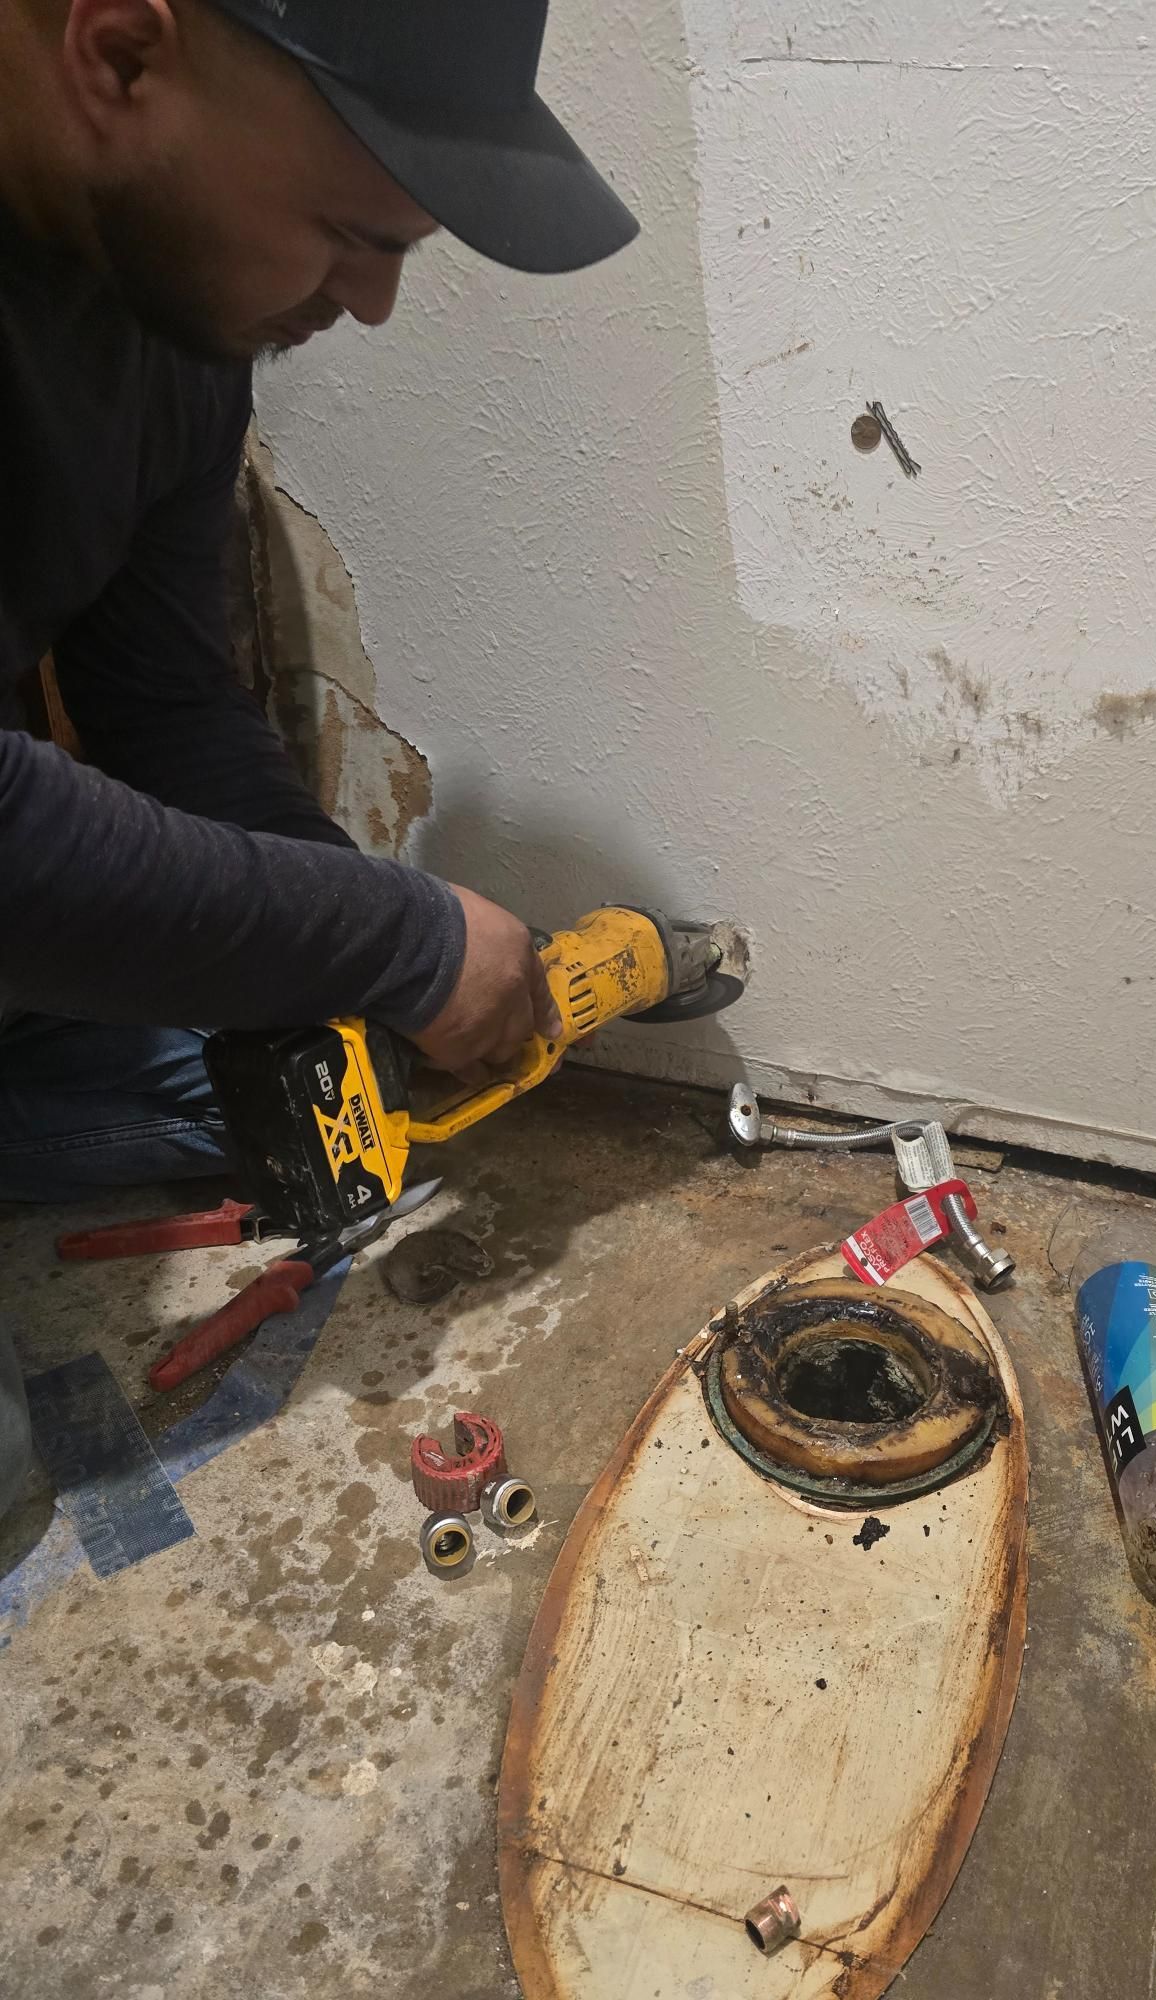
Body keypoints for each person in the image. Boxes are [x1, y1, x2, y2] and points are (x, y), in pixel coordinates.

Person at [0, 0, 641, 1510]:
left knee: (301, 1101)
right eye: (354, 233)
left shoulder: (162, 304)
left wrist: (356, 968)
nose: (370, 307)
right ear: (120, 54)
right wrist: (401, 941)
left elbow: (159, 700)